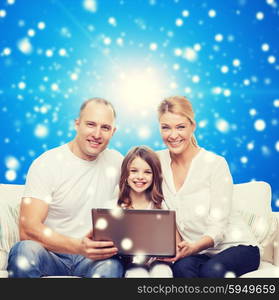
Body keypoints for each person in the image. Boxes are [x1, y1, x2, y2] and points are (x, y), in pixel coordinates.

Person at [7, 97, 124, 278]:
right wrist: (78, 246)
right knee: (24, 251)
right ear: (77, 124)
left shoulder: (116, 161)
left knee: (112, 265)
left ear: (113, 132)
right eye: (91, 124)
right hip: (51, 253)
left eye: (105, 128)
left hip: (92, 259)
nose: (97, 134)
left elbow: (144, 189)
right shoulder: (47, 163)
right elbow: (28, 229)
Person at [156, 95, 260, 278]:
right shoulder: (157, 162)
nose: (173, 135)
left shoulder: (215, 164)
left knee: (211, 271)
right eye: (166, 127)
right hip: (198, 253)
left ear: (192, 127)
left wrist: (193, 247)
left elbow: (218, 226)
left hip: (237, 246)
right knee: (180, 269)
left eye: (180, 127)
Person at [117, 146, 173, 277]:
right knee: (136, 274)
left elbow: (173, 242)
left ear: (155, 176)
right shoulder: (117, 207)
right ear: (125, 174)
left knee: (162, 273)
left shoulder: (161, 205)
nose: (140, 177)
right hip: (131, 263)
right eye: (134, 171)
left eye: (147, 172)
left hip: (159, 262)